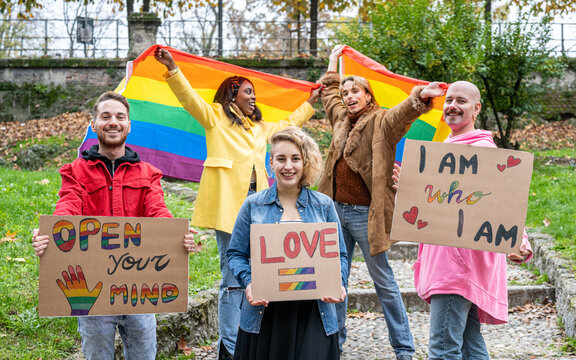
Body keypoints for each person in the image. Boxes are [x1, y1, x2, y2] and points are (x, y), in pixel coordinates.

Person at [154, 47, 321, 359]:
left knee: (262, 272)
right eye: (248, 92)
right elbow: (189, 98)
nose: (253, 97)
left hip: (263, 207)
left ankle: (253, 338)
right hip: (229, 207)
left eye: (254, 92)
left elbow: (288, 123)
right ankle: (230, 348)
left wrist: (308, 104)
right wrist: (174, 69)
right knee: (232, 276)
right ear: (231, 96)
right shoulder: (215, 117)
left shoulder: (261, 128)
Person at [31, 91, 200, 360]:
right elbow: (68, 207)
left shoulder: (148, 173)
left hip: (139, 290)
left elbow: (157, 211)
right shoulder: (75, 171)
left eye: (120, 117)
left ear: (129, 125)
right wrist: (50, 231)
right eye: (105, 116)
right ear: (94, 124)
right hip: (91, 292)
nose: (113, 122)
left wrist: (175, 235)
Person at [316, 45, 446, 360]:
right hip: (334, 212)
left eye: (355, 90)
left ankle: (403, 347)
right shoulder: (340, 120)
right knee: (334, 279)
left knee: (383, 280)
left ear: (368, 95)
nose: (348, 96)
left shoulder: (382, 122)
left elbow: (404, 113)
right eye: (346, 92)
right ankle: (335, 342)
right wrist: (334, 63)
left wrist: (421, 97)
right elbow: (328, 94)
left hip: (365, 216)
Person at [392, 80, 533, 360]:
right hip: (454, 264)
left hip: (456, 266)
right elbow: (438, 203)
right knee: (470, 344)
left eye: (461, 101)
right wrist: (408, 192)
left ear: (476, 108)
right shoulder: (443, 150)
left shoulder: (482, 150)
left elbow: (503, 199)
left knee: (443, 350)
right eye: (449, 100)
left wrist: (519, 239)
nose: (452, 106)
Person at [226, 126, 348, 359]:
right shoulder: (253, 205)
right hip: (266, 312)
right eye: (280, 159)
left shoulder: (323, 205)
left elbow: (340, 255)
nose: (288, 166)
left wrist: (338, 282)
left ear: (305, 162)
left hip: (314, 310)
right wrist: (250, 282)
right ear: (271, 162)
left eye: (295, 159)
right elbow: (235, 254)